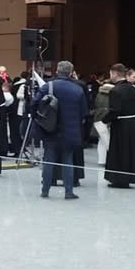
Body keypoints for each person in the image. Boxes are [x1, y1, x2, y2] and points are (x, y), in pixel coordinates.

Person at [32, 60, 88, 199]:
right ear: (70, 73)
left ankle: (45, 190)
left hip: (50, 129)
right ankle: (68, 191)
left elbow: (34, 103)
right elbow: (84, 112)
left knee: (49, 159)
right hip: (70, 131)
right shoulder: (78, 89)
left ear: (57, 71)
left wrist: (38, 119)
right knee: (68, 160)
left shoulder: (48, 86)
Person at [104, 63, 135, 188]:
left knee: (119, 151)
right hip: (131, 124)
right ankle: (130, 177)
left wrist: (104, 120)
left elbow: (115, 110)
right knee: (129, 151)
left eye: (111, 73)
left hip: (120, 124)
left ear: (114, 73)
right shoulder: (133, 89)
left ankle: (118, 179)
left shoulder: (115, 90)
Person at [92, 77, 114, 165]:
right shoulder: (114, 93)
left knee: (101, 140)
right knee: (109, 139)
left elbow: (96, 104)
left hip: (98, 117)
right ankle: (111, 160)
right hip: (109, 117)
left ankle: (101, 160)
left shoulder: (99, 93)